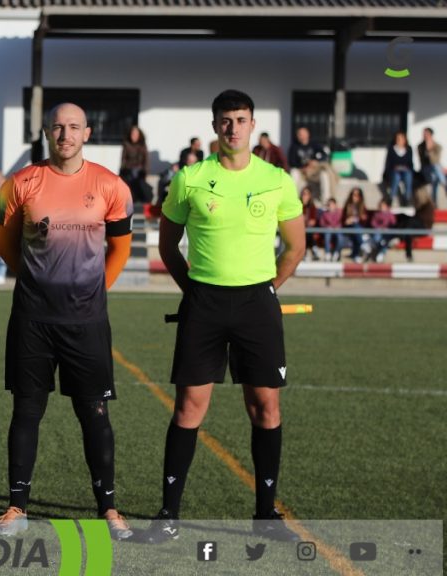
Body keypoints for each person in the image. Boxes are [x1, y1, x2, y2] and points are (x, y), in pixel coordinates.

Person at [148, 89, 305, 544]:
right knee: (189, 408)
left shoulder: (277, 179)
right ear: (214, 125)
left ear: (252, 124)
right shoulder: (190, 178)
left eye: (241, 119)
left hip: (258, 303)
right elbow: (166, 245)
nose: (233, 127)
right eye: (225, 120)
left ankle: (265, 515)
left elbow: (295, 247)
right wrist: (193, 290)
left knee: (266, 409)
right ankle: (169, 515)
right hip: (205, 304)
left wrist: (266, 290)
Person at [0, 103, 134, 540]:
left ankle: (108, 509)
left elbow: (121, 250)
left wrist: (91, 293)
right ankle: (17, 506)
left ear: (87, 133)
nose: (65, 134)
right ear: (47, 132)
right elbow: (5, 245)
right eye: (57, 126)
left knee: (95, 414)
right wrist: (39, 284)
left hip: (86, 322)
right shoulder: (19, 184)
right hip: (33, 319)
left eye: (73, 127)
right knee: (27, 411)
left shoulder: (112, 186)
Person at [288, 126, 336, 201]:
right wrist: (302, 168)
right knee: (293, 173)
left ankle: (326, 200)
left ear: (308, 134)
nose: (301, 136)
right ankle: (292, 199)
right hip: (301, 171)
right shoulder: (294, 146)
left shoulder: (314, 144)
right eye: (299, 134)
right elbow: (291, 162)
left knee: (324, 174)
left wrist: (316, 161)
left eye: (303, 134)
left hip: (313, 171)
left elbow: (325, 155)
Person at [119, 125, 150, 203]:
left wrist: (145, 172)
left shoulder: (143, 145)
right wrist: (122, 170)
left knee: (137, 177)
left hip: (139, 170)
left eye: (136, 134)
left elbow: (146, 161)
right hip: (128, 169)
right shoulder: (126, 144)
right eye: (132, 134)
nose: (134, 136)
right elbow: (123, 160)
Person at [384, 131, 415, 207]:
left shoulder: (408, 149)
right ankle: (391, 197)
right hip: (394, 171)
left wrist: (406, 168)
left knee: (408, 175)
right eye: (398, 139)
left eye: (401, 139)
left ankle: (407, 198)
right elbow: (388, 163)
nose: (399, 140)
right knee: (396, 176)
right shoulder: (392, 149)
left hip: (405, 171)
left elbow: (410, 163)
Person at [341, 187, 369, 262]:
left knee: (356, 227)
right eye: (354, 195)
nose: (355, 197)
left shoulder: (362, 207)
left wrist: (355, 219)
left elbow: (365, 220)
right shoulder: (348, 206)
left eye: (357, 195)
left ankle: (356, 253)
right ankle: (362, 246)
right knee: (355, 227)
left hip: (359, 228)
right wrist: (349, 220)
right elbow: (344, 220)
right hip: (349, 228)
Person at [418, 128, 444, 206]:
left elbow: (435, 160)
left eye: (426, 134)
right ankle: (445, 184)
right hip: (426, 170)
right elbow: (423, 162)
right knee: (435, 170)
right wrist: (427, 149)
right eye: (424, 134)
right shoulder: (421, 147)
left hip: (434, 171)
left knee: (434, 177)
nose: (425, 136)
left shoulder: (438, 146)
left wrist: (430, 150)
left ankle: (434, 203)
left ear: (431, 135)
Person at [299, 186, 321, 261]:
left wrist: (305, 220)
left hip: (308, 229)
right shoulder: (298, 205)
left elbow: (313, 221)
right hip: (300, 229)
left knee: (309, 232)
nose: (305, 196)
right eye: (304, 194)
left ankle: (311, 251)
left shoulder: (312, 207)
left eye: (307, 194)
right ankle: (313, 250)